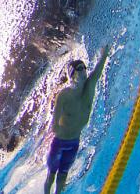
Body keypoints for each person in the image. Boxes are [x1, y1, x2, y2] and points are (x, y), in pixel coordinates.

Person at [44, 45, 110, 194]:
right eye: (79, 68)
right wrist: (59, 132)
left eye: (84, 68)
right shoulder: (64, 95)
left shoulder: (90, 88)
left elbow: (98, 70)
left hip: (74, 143)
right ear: (72, 74)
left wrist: (104, 54)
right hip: (59, 143)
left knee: (63, 177)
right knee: (51, 176)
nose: (84, 71)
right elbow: (54, 124)